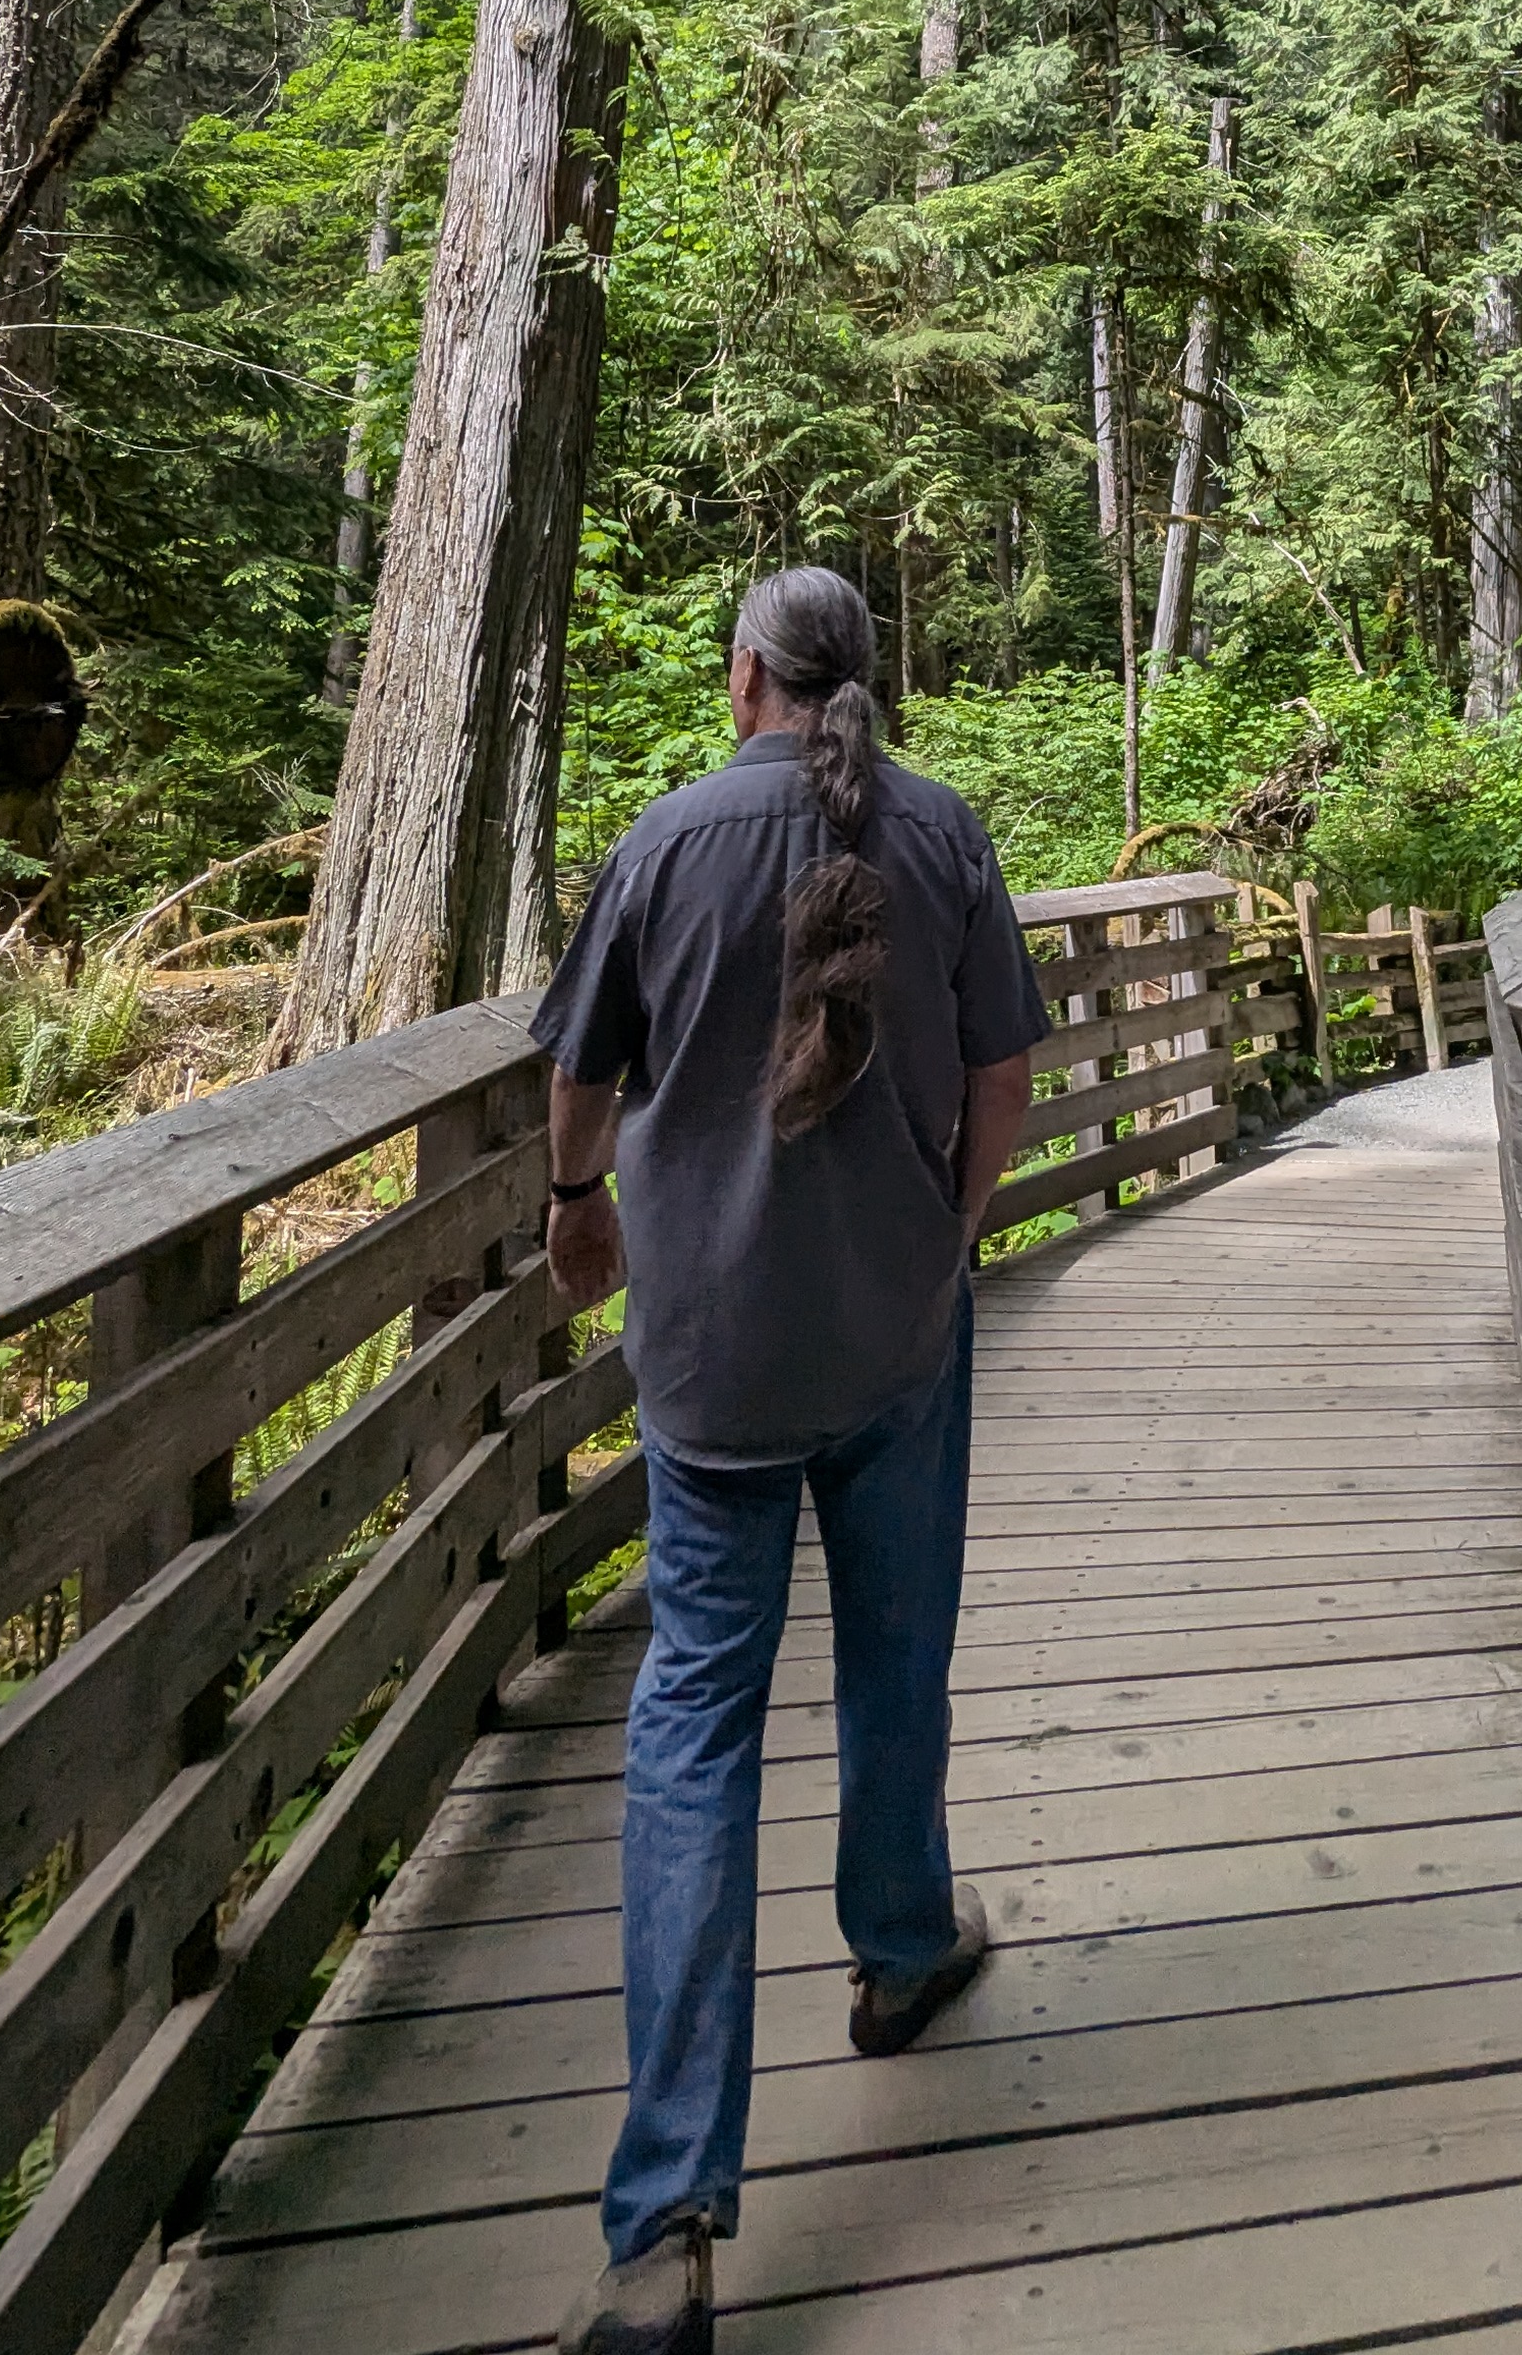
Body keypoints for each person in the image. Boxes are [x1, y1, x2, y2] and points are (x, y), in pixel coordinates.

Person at [536, 566, 1046, 2355]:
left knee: (694, 1727)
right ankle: (903, 1949)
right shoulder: (949, 837)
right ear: (865, 682)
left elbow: (585, 1083)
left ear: (743, 670)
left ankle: (668, 2217)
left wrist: (578, 1206)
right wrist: (953, 1227)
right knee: (897, 1654)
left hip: (711, 1360)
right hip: (894, 1330)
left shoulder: (663, 843)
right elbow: (1001, 1079)